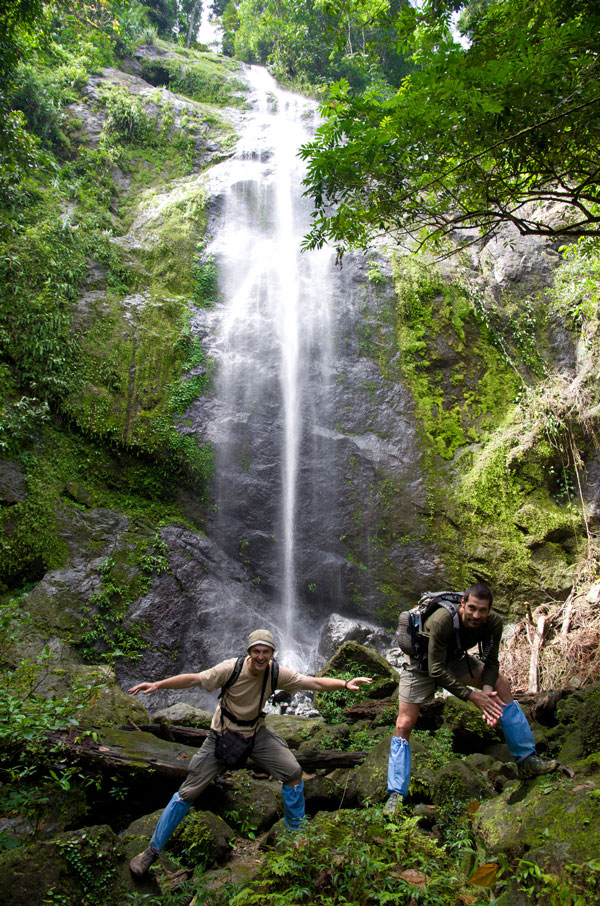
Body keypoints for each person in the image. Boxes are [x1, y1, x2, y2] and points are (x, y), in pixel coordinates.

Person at [128, 629, 372, 877]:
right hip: (221, 736)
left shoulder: (275, 673)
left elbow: (314, 682)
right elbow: (195, 679)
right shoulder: (230, 669)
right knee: (187, 792)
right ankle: (151, 852)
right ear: (249, 652)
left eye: (266, 652)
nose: (261, 656)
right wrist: (158, 684)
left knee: (293, 772)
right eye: (256, 651)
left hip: (255, 734)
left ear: (272, 654)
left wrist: (344, 683)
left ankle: (296, 842)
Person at [385, 583, 558, 814]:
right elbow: (435, 670)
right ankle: (396, 793)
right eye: (472, 608)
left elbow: (492, 662)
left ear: (490, 610)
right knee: (404, 723)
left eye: (482, 610)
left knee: (501, 684)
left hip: (454, 659)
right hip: (421, 664)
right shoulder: (442, 620)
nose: (476, 615)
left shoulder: (494, 623)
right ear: (462, 604)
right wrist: (473, 696)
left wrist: (486, 690)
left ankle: (527, 759)